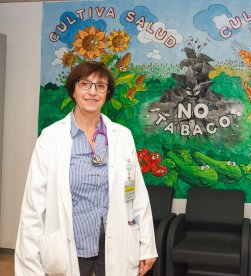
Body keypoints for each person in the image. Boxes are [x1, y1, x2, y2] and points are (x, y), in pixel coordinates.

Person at [15, 61, 157, 275]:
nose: (93, 92)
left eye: (100, 86)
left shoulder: (122, 136)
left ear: (107, 93)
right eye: (85, 84)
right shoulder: (51, 138)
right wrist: (29, 264)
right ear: (73, 89)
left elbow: (136, 195)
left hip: (114, 245)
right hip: (70, 245)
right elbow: (33, 207)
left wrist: (147, 246)